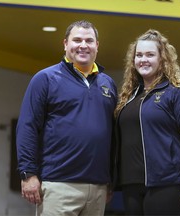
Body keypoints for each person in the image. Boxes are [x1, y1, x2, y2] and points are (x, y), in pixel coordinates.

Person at [16, 20, 117, 216]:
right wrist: (28, 174)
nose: (83, 45)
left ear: (97, 45)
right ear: (65, 44)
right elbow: (27, 127)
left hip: (98, 187)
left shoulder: (108, 84)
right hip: (58, 184)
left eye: (89, 40)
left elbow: (112, 135)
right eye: (77, 40)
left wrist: (110, 179)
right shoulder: (45, 78)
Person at [114, 29, 180, 216]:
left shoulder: (178, 93)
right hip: (131, 185)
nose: (143, 59)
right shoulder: (129, 97)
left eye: (150, 55)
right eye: (139, 55)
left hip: (167, 184)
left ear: (162, 59)